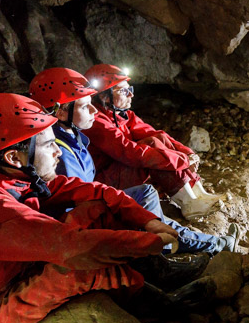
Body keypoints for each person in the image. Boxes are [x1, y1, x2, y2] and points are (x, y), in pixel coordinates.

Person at [0, 93, 181, 323]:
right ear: (13, 157)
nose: (58, 151)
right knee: (82, 269)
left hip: (12, 275)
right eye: (48, 145)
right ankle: (162, 307)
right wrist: (151, 243)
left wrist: (149, 221)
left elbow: (97, 191)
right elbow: (76, 249)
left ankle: (158, 273)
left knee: (96, 209)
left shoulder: (6, 178)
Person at [29, 68, 236, 255]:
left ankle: (215, 242)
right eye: (85, 106)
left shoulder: (74, 136)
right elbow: (77, 206)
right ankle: (159, 254)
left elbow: (152, 134)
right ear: (60, 112)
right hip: (86, 221)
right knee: (147, 205)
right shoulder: (61, 153)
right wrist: (123, 207)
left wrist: (185, 153)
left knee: (152, 212)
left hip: (93, 202)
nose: (94, 110)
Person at [82, 64, 221, 221]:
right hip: (104, 183)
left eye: (130, 89)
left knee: (157, 140)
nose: (131, 94)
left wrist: (187, 153)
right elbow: (130, 153)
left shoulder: (121, 114)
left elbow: (154, 134)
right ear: (104, 97)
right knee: (151, 149)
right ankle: (189, 203)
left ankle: (198, 193)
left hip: (118, 171)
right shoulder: (96, 121)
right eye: (123, 91)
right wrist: (181, 161)